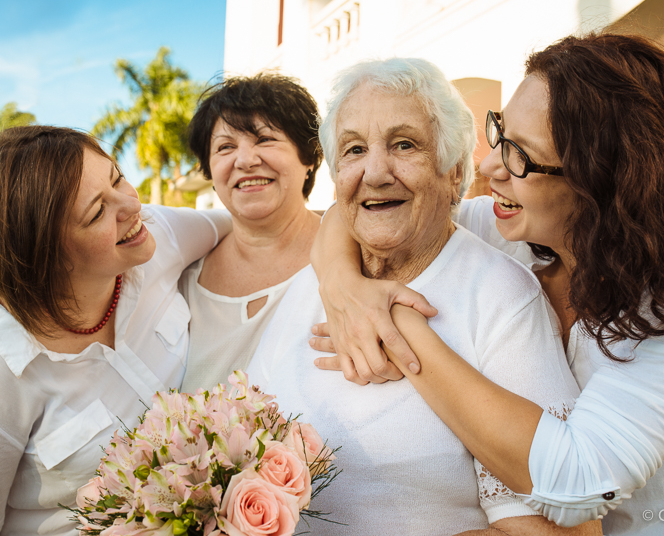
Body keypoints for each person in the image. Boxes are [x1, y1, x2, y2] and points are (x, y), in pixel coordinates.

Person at [310, 33, 664, 535]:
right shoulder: (510, 230)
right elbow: (358, 214)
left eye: (520, 157)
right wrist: (342, 282)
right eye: (500, 134)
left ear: (600, 180)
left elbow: (578, 482)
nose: (488, 167)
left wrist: (397, 324)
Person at [246, 58, 600, 535]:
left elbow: (558, 531)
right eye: (353, 150)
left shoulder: (501, 297)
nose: (375, 172)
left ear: (455, 171)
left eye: (404, 144)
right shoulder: (316, 282)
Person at [0, 126, 231, 535]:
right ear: (44, 256)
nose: (132, 204)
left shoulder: (155, 234)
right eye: (97, 212)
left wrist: (337, 261)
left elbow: (256, 224)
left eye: (117, 176)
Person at [178, 73, 326, 392]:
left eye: (265, 139)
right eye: (225, 147)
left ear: (310, 157)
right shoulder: (181, 281)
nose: (245, 160)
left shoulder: (356, 254)